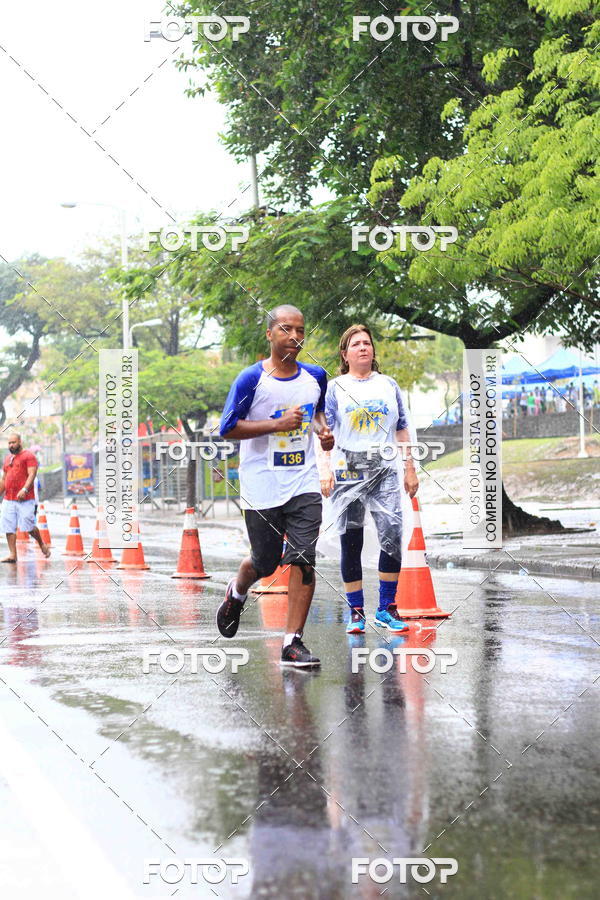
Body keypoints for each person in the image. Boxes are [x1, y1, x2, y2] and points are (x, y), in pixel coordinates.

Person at [217, 305, 334, 668]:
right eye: (286, 329)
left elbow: (317, 413)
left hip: (302, 482)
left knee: (303, 557)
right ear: (269, 334)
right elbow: (227, 428)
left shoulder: (316, 376)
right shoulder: (251, 380)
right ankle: (237, 592)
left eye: (300, 330)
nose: (295, 337)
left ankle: (292, 642)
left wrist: (323, 432)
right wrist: (276, 425)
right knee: (266, 564)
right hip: (261, 484)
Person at [317, 324, 418, 634]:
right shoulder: (335, 389)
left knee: (392, 537)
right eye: (356, 344)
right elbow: (325, 433)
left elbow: (401, 428)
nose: (363, 347)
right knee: (352, 539)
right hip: (348, 469)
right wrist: (325, 469)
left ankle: (387, 608)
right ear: (345, 354)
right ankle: (356, 611)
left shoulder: (389, 385)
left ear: (373, 351)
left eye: (367, 343)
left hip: (384, 469)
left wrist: (410, 467)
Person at [0, 433, 50, 563]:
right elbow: (4, 479)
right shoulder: (8, 459)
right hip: (8, 499)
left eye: (14, 442)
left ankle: (42, 544)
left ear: (20, 442)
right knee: (8, 527)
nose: (11, 445)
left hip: (25, 499)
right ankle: (12, 555)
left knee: (28, 527)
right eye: (9, 443)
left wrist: (25, 489)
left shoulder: (29, 456)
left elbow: (32, 474)